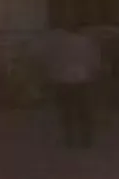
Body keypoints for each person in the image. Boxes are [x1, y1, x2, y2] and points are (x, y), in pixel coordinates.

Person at [40, 20, 102, 148]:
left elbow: (53, 61)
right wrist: (94, 74)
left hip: (64, 80)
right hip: (83, 79)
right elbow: (94, 61)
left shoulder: (61, 44)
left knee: (67, 111)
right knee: (84, 111)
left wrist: (52, 76)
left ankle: (70, 139)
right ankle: (86, 139)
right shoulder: (86, 42)